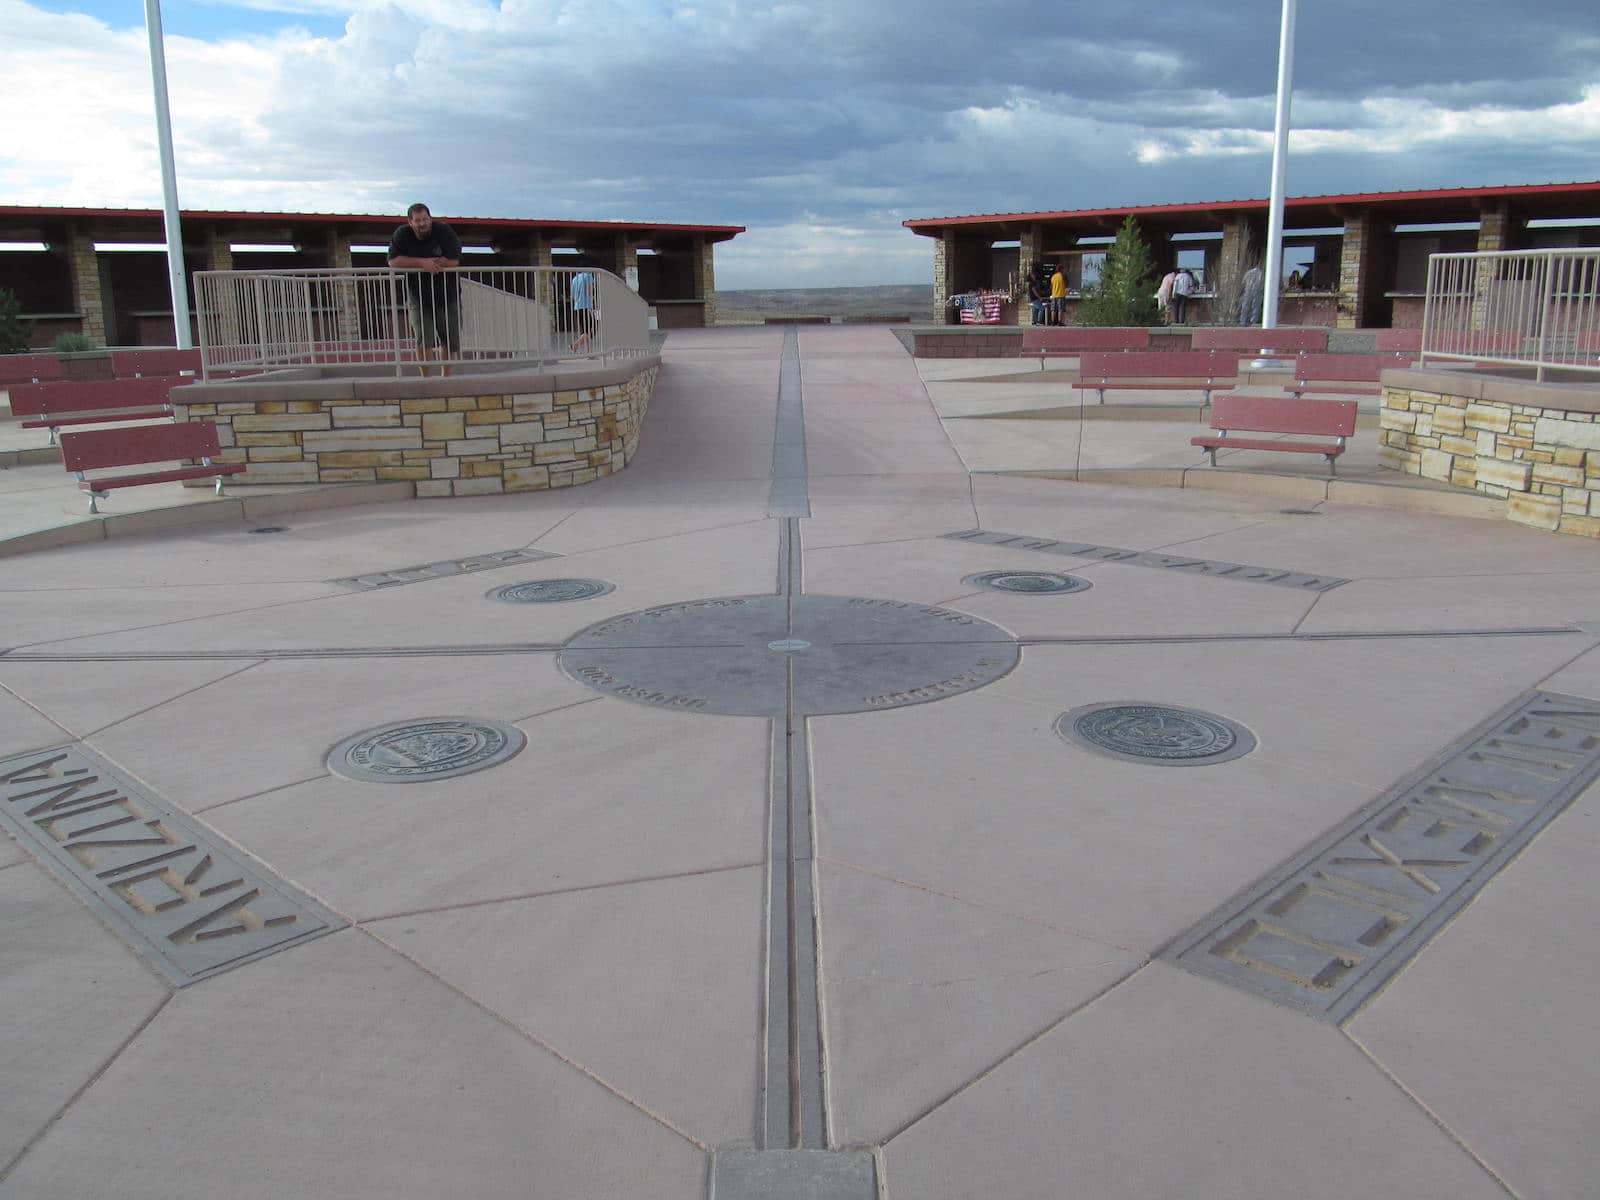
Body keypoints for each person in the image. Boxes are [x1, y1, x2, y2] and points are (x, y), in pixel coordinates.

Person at [387, 203, 461, 376]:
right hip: (418, 296)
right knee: (423, 339)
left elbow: (454, 260)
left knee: (450, 339)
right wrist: (422, 263)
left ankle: (446, 378)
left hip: (447, 294)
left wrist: (429, 264)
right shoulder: (402, 234)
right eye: (418, 220)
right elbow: (393, 261)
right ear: (410, 222)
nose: (422, 223)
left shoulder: (443, 230)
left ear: (430, 218)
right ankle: (425, 379)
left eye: (425, 219)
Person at [569, 268, 598, 352]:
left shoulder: (574, 279)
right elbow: (589, 291)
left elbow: (573, 296)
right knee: (593, 328)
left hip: (577, 306)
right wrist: (592, 297)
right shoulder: (588, 276)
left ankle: (587, 350)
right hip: (586, 306)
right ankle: (575, 346)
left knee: (585, 330)